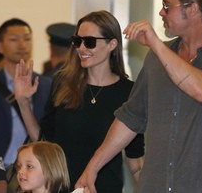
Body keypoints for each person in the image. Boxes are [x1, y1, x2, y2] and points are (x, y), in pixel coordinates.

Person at [76, 0, 202, 192]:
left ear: (193, 8)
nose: (161, 12)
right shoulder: (156, 59)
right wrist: (93, 167)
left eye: (167, 6)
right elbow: (130, 118)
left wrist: (155, 43)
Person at [14, 10, 145, 192]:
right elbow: (44, 142)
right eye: (77, 41)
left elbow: (136, 159)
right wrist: (23, 103)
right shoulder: (63, 83)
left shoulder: (129, 92)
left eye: (89, 42)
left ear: (112, 44)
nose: (81, 48)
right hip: (62, 188)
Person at [0, 18, 52, 168]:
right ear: (0, 47)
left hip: (38, 168)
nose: (22, 45)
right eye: (14, 39)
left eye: (27, 39)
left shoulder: (46, 85)